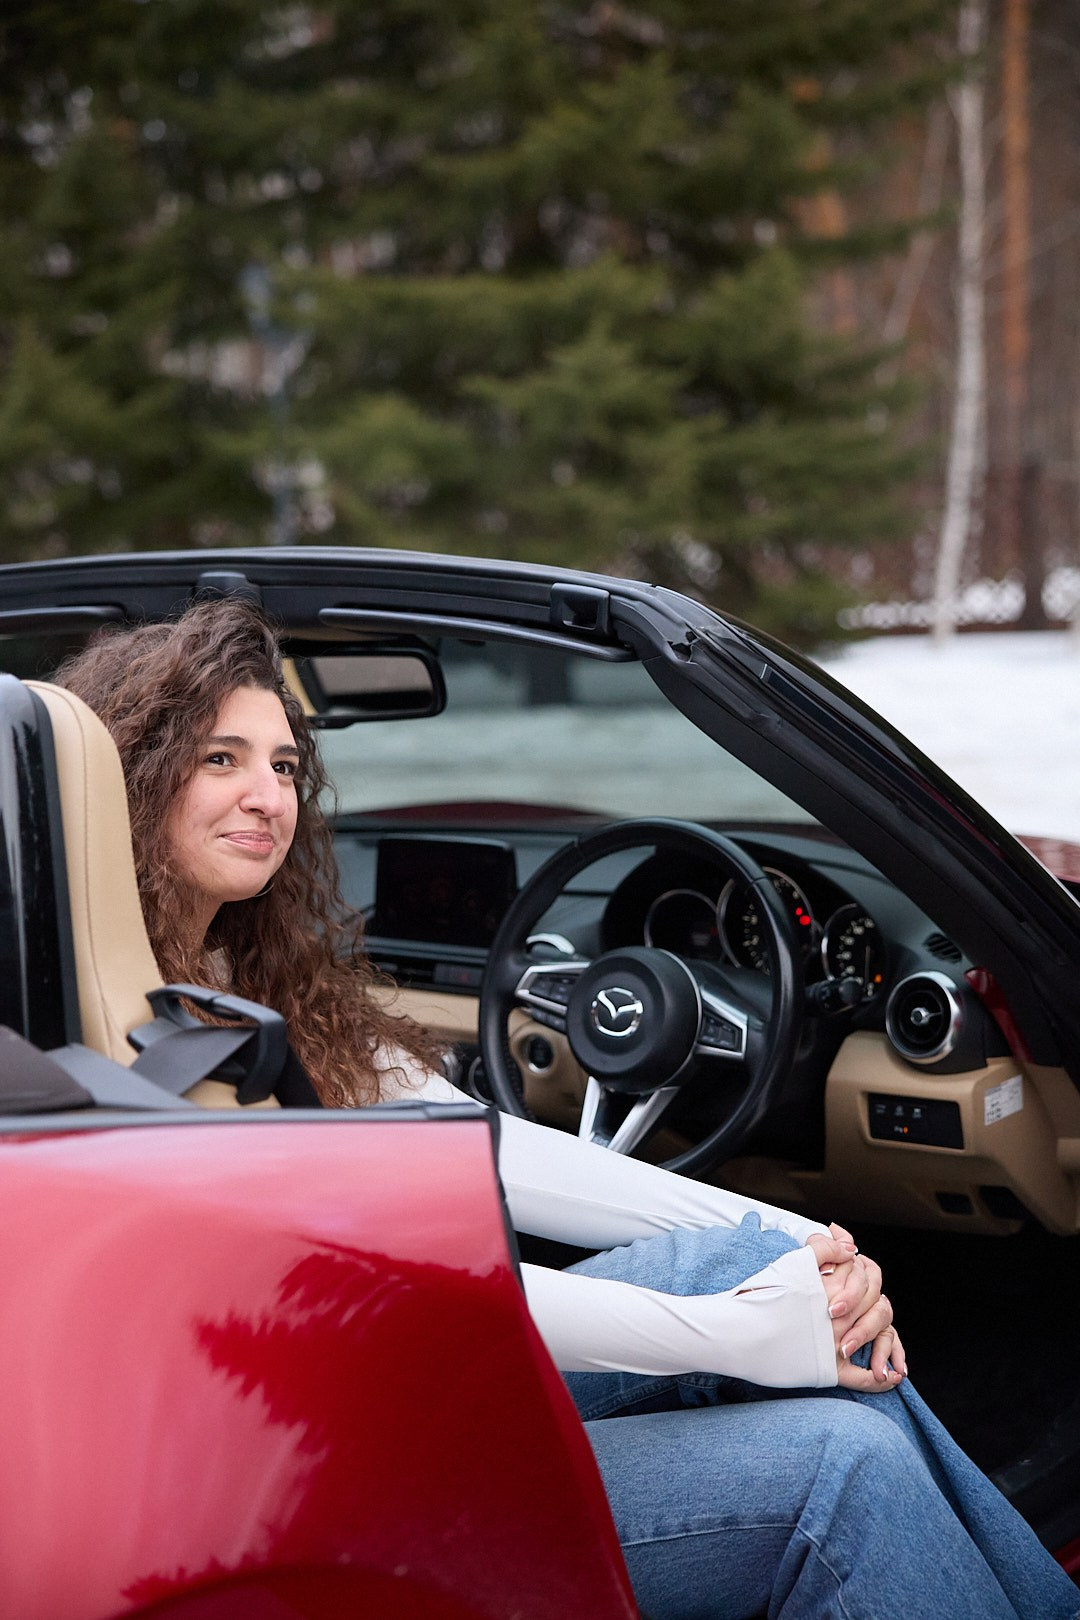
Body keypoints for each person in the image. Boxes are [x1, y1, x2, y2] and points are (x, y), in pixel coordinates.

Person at [55, 599, 1079, 1620]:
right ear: (128, 779)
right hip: (315, 1491)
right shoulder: (134, 1036)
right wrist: (725, 1338)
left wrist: (797, 1235)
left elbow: (486, 1149)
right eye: (221, 760)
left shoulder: (253, 972)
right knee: (841, 1468)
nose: (267, 797)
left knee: (781, 1274)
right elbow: (401, 1296)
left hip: (388, 1405)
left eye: (282, 767)